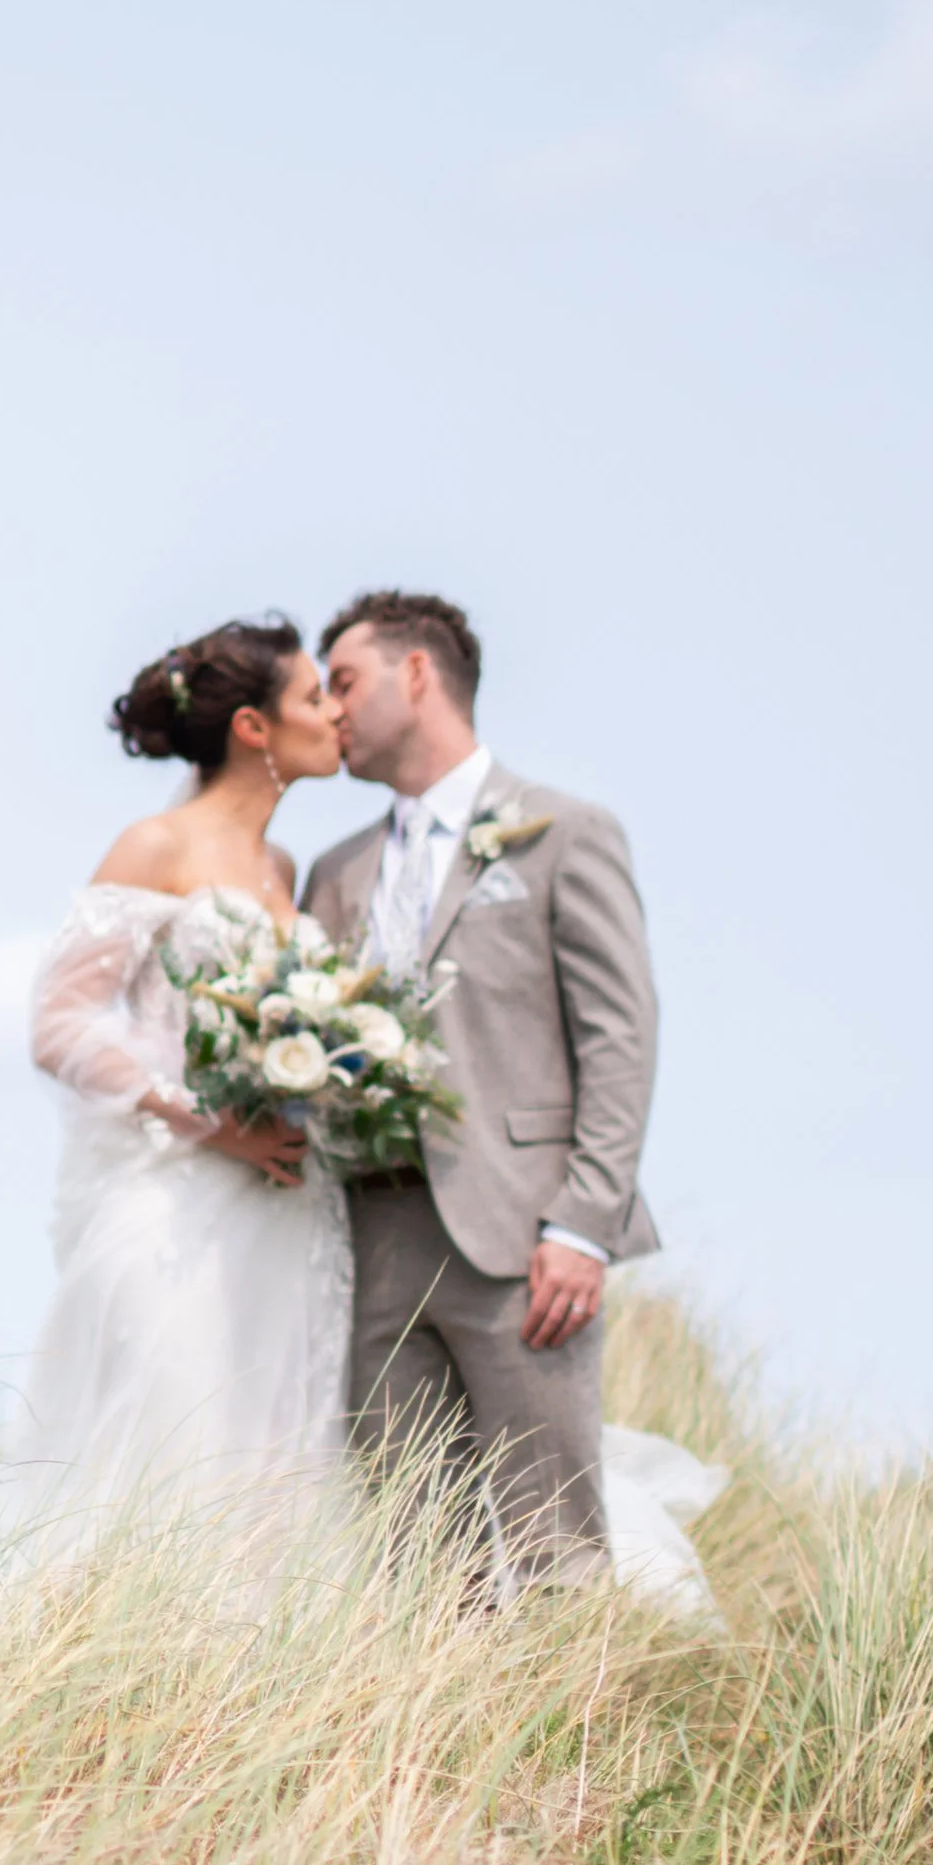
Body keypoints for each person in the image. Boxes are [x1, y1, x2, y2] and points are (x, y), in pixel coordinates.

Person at [0, 615, 355, 1587]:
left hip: (289, 1205)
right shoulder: (154, 844)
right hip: (175, 1200)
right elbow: (58, 1024)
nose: (336, 711)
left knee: (275, 1462)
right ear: (254, 729)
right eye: (314, 696)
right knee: (166, 1436)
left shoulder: (285, 872)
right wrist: (207, 1120)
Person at [301, 590, 666, 1595]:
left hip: (522, 1243)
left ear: (414, 674)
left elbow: (619, 1035)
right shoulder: (333, 874)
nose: (328, 710)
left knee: (557, 1551)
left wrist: (583, 1223)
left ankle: (580, 1753)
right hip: (375, 1242)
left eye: (342, 681)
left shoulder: (564, 835)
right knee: (416, 1564)